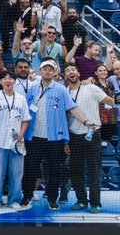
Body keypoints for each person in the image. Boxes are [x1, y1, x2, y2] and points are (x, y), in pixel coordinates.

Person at [21, 60, 94, 209]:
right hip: (33, 137)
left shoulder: (61, 90)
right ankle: (27, 196)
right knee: (30, 169)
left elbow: (73, 109)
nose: (47, 72)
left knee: (55, 170)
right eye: (44, 69)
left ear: (55, 73)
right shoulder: (32, 88)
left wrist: (86, 122)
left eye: (50, 69)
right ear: (40, 71)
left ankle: (52, 198)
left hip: (55, 138)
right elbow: (24, 111)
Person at [64, 64, 113, 212]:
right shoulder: (65, 92)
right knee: (75, 171)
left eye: (73, 70)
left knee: (94, 171)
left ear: (79, 73)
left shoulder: (91, 88)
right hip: (73, 136)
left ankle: (95, 203)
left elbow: (110, 101)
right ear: (65, 76)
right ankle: (81, 200)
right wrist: (66, 140)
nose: (70, 72)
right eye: (67, 71)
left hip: (92, 135)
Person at [0, 71, 29, 210]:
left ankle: (14, 200)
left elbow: (26, 119)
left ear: (15, 81)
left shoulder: (21, 98)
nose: (8, 81)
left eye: (10, 78)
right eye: (5, 78)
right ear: (1, 81)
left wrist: (21, 134)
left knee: (17, 173)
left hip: (16, 142)